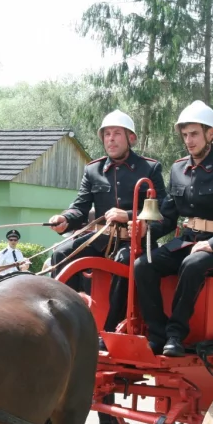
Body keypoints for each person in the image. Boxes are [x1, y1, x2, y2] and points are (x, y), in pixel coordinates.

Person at [133, 101, 213, 357]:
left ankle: (175, 335)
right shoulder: (178, 168)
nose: (188, 141)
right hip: (188, 241)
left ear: (210, 134)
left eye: (194, 134)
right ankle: (157, 335)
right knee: (143, 265)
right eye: (185, 134)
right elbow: (168, 218)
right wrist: (144, 232)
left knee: (191, 265)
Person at [47, 109, 166, 335]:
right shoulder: (93, 169)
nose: (110, 139)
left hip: (133, 243)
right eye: (107, 134)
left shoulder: (150, 168)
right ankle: (67, 321)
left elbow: (163, 210)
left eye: (117, 133)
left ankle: (110, 330)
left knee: (123, 261)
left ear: (131, 138)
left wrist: (129, 216)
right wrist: (64, 219)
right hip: (100, 239)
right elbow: (80, 207)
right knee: (60, 253)